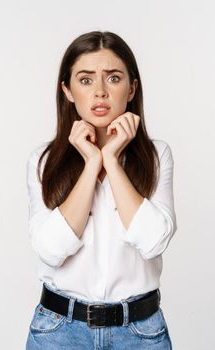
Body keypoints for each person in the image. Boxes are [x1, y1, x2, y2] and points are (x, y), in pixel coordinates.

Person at [25, 30, 177, 349]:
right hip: (59, 332)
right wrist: (92, 163)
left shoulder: (156, 155)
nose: (99, 92)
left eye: (113, 78)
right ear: (67, 90)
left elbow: (153, 242)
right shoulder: (43, 160)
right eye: (85, 80)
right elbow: (51, 250)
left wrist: (111, 158)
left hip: (139, 333)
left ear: (131, 88)